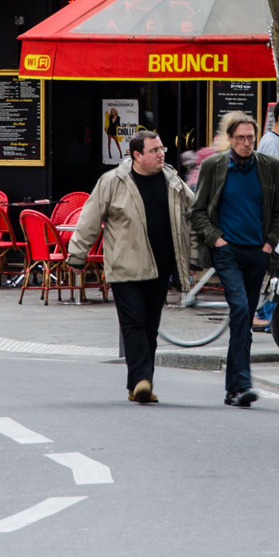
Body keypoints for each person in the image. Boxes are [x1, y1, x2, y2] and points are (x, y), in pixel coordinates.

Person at [68, 130, 194, 405]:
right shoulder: (113, 182)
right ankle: (142, 381)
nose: (161, 154)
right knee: (134, 323)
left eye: (162, 148)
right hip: (125, 267)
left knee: (150, 327)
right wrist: (77, 255)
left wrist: (194, 256)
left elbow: (193, 215)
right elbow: (89, 219)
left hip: (161, 268)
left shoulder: (172, 180)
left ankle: (136, 382)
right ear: (136, 155)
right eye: (154, 150)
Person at [190, 111, 279, 407]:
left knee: (242, 320)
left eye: (250, 138)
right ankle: (242, 382)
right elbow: (198, 210)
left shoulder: (268, 167)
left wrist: (270, 243)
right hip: (228, 251)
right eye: (241, 138)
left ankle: (234, 389)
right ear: (230, 139)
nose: (247, 143)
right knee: (242, 310)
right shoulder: (214, 167)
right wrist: (217, 239)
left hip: (258, 253)